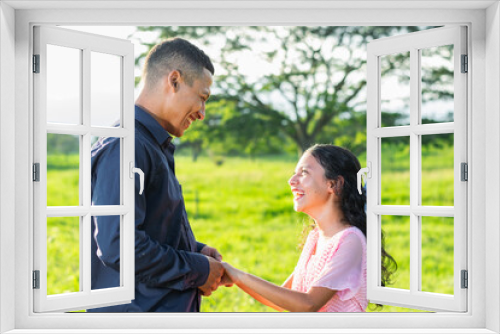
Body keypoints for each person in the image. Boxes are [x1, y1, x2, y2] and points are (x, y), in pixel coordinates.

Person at [88, 38, 227, 312]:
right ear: (174, 81)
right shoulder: (126, 146)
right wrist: (196, 269)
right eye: (202, 97)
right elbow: (119, 246)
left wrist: (194, 251)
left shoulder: (150, 144)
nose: (202, 113)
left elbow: (150, 229)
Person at [222, 144, 397, 312]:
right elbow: (280, 301)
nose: (291, 181)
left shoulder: (350, 240)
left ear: (334, 185)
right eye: (294, 174)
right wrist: (232, 275)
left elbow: (308, 305)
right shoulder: (315, 237)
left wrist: (238, 275)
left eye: (304, 173)